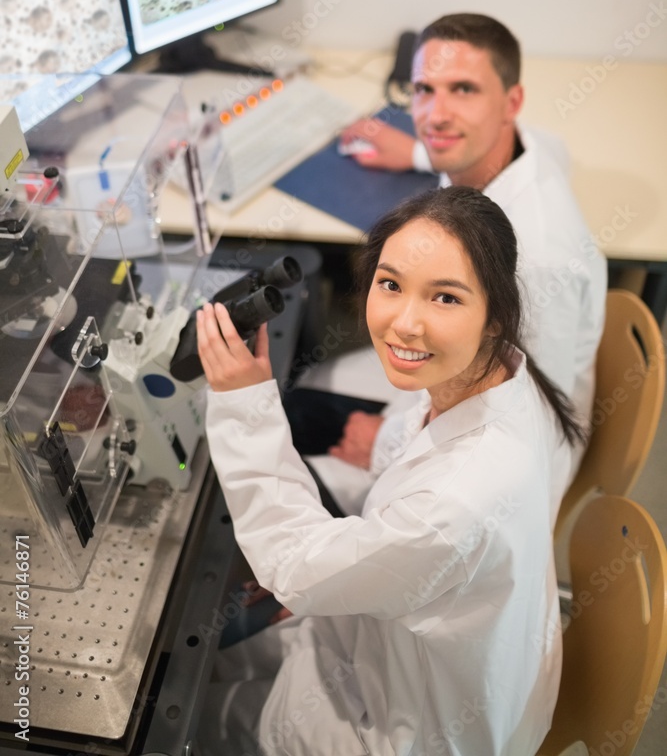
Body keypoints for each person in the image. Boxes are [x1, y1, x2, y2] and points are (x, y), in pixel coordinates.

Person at [196, 186, 585, 756]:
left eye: (445, 297)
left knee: (202, 716)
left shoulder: (453, 505)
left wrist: (244, 406)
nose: (405, 323)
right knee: (231, 661)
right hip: (424, 648)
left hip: (409, 732)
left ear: (496, 315)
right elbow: (415, 456)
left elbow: (293, 567)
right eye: (391, 284)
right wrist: (336, 584)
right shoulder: (505, 377)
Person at [289, 13, 606, 508]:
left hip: (495, 459)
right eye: (424, 90)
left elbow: (528, 419)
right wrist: (421, 153)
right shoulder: (531, 146)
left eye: (463, 90)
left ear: (512, 102)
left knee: (296, 468)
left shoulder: (536, 262)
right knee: (300, 396)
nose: (435, 116)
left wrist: (385, 444)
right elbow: (544, 144)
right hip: (449, 367)